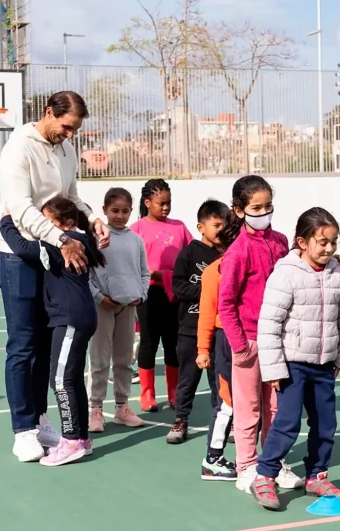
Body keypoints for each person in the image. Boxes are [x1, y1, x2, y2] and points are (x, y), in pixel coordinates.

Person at [0, 91, 110, 463]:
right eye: (66, 127)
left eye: (75, 130)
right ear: (48, 114)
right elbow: (20, 208)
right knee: (23, 343)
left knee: (46, 342)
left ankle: (41, 418)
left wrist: (92, 219)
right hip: (19, 254)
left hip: (52, 249)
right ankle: (23, 429)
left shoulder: (66, 149)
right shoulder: (18, 149)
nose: (70, 135)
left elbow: (70, 196)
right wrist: (61, 238)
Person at [250, 207, 340, 510]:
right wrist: (273, 368)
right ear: (302, 242)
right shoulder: (286, 274)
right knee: (286, 424)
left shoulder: (339, 276)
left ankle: (317, 476)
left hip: (324, 365)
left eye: (333, 242)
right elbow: (269, 324)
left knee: (326, 424)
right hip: (292, 365)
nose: (328, 248)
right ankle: (265, 475)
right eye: (322, 242)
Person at [0, 196, 105, 466]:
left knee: (60, 380)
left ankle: (70, 441)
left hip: (69, 318)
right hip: (81, 316)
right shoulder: (82, 239)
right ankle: (81, 438)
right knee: (71, 378)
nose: (43, 228)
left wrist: (6, 220)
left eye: (48, 222)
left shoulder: (61, 243)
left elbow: (21, 247)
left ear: (66, 223)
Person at [218, 175, 303, 494]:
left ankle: (273, 463)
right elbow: (226, 303)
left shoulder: (281, 242)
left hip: (278, 341)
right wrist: (240, 346)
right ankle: (246, 465)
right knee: (248, 406)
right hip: (249, 343)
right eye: (257, 207)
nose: (264, 212)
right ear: (239, 211)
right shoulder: (238, 251)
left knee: (276, 407)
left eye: (268, 206)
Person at [166, 199, 228, 445]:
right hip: (190, 330)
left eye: (225, 226)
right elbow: (178, 286)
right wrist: (207, 289)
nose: (221, 231)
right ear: (201, 227)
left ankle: (223, 422)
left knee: (220, 382)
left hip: (219, 330)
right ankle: (181, 420)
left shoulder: (228, 254)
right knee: (188, 380)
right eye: (216, 225)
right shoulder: (189, 253)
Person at [87, 188, 149, 432]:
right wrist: (99, 297)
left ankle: (122, 407)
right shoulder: (95, 238)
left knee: (124, 360)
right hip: (102, 307)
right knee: (99, 360)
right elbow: (87, 274)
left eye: (125, 211)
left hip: (127, 307)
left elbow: (144, 272)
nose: (120, 216)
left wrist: (141, 294)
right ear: (104, 211)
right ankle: (96, 410)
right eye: (115, 211)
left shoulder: (135, 240)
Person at [131, 179, 193, 412]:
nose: (166, 208)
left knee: (173, 343)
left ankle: (174, 392)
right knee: (148, 342)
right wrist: (150, 274)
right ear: (148, 203)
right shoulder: (136, 229)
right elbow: (131, 262)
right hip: (149, 293)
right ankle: (147, 394)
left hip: (174, 294)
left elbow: (190, 255)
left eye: (168, 203)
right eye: (160, 203)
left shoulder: (179, 227)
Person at [196, 221, 238, 481]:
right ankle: (212, 459)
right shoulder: (213, 272)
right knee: (227, 402)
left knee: (255, 403)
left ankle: (257, 459)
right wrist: (203, 349)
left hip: (252, 338)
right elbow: (207, 314)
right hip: (225, 340)